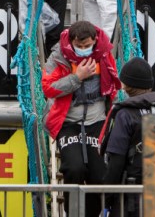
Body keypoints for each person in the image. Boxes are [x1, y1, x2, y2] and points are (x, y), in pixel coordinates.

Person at [42, 20, 120, 217]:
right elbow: (48, 88)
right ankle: (73, 212)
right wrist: (77, 78)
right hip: (68, 122)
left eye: (88, 46)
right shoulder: (58, 57)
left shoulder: (104, 54)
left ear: (95, 41)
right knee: (74, 168)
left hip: (97, 121)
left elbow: (114, 83)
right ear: (72, 42)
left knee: (99, 173)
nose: (84, 50)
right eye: (79, 46)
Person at [100, 57, 155, 217]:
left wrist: (107, 201)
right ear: (150, 84)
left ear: (125, 85)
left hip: (132, 195)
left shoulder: (125, 115)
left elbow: (115, 162)